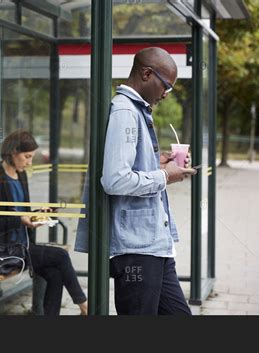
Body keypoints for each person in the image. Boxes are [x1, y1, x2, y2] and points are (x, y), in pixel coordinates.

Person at [75, 47, 196, 315]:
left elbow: (129, 169)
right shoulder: (125, 112)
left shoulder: (137, 110)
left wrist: (158, 164)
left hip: (154, 244)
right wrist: (165, 176)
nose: (166, 94)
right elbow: (115, 180)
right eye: (166, 86)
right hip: (136, 248)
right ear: (146, 73)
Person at [0, 130, 87, 315]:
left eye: (31, 157)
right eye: (27, 157)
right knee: (60, 255)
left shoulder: (21, 176)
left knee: (55, 273)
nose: (29, 162)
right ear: (13, 153)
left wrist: (38, 214)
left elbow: (22, 215)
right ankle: (84, 306)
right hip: (1, 249)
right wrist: (20, 219)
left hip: (21, 245)